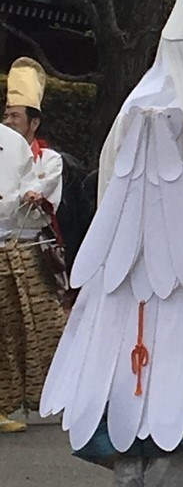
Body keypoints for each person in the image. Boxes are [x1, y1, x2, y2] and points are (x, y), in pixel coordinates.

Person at [0, 57, 67, 435]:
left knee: (49, 327)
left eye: (15, 116)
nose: (8, 121)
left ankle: (59, 394)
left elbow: (40, 197)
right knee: (4, 330)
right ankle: (2, 403)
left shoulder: (49, 160)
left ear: (34, 122)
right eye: (6, 115)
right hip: (0, 250)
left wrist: (27, 194)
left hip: (31, 252)